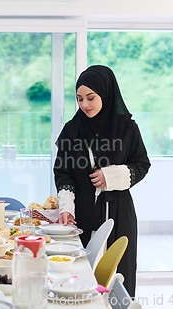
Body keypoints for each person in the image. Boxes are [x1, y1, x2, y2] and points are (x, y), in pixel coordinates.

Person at [53, 65, 150, 297]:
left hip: (118, 213)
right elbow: (63, 172)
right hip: (82, 212)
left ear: (105, 94)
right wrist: (66, 208)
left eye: (90, 97)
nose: (84, 105)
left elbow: (142, 164)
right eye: (79, 99)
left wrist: (111, 175)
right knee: (80, 275)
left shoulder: (127, 128)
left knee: (118, 276)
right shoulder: (72, 130)